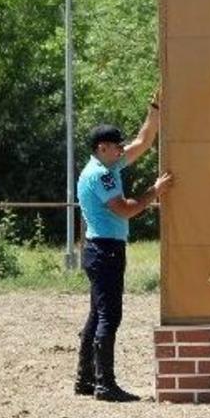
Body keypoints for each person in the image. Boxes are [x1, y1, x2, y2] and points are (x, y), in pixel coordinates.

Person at [74, 97, 173, 402]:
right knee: (109, 316)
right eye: (116, 146)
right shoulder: (100, 175)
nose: (121, 149)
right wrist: (154, 191)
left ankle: (85, 379)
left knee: (97, 315)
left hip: (100, 249)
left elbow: (144, 141)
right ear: (101, 148)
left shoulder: (108, 164)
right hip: (105, 250)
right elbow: (126, 209)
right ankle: (105, 384)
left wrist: (154, 111)